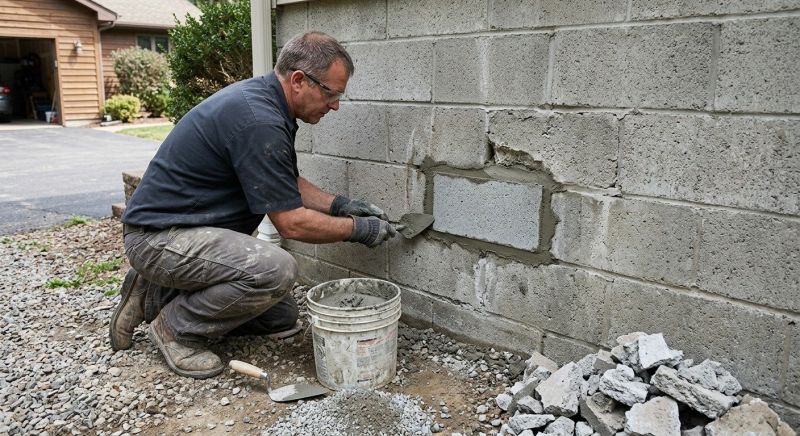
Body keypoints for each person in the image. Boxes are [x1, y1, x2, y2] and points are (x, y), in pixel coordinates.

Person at [110, 31, 397, 379]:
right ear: (298, 80)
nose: (335, 104)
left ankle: (150, 293)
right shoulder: (259, 121)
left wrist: (340, 205)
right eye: (331, 93)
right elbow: (291, 223)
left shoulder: (266, 103)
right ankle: (174, 329)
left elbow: (285, 182)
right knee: (275, 271)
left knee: (280, 317)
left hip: (184, 230)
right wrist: (360, 229)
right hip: (159, 238)